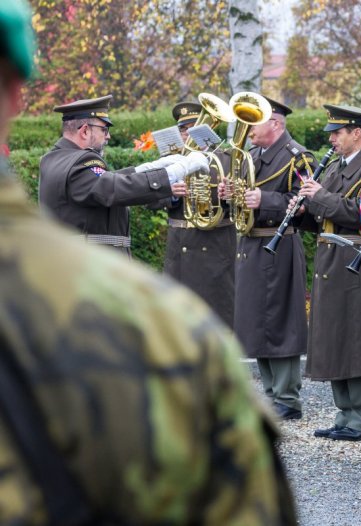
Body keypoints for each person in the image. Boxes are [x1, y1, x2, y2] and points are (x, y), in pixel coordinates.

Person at [0, 1, 296, 523]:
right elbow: (105, 187)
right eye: (103, 131)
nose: (106, 138)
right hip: (90, 273)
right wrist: (165, 177)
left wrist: (157, 171)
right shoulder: (76, 166)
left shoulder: (53, 158)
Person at [294, 105, 361, 441]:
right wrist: (302, 211)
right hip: (329, 256)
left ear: (357, 133)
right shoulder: (335, 167)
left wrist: (319, 197)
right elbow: (323, 215)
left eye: (338, 133)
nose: (332, 139)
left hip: (357, 255)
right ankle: (344, 413)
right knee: (334, 333)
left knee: (358, 335)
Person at [38, 95, 207, 257]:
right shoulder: (80, 162)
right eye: (104, 129)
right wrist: (181, 168)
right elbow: (114, 188)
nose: (108, 136)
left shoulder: (59, 159)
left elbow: (104, 181)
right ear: (84, 131)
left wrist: (149, 167)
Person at [231, 97, 314, 420]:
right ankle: (270, 394)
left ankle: (287, 397)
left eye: (255, 122)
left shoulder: (297, 157)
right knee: (255, 322)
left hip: (279, 245)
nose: (248, 130)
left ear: (276, 124)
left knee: (280, 323)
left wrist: (264, 199)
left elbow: (305, 200)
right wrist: (232, 196)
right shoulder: (252, 156)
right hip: (252, 244)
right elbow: (243, 198)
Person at [154, 101, 236, 326]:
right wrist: (169, 193)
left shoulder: (228, 159)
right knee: (178, 319)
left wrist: (228, 196)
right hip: (180, 246)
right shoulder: (169, 161)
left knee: (218, 315)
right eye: (183, 129)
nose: (188, 134)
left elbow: (243, 202)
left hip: (216, 245)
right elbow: (149, 199)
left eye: (195, 127)